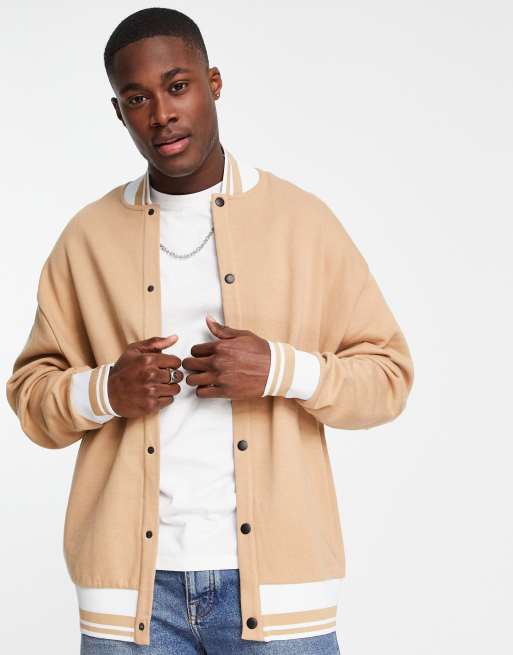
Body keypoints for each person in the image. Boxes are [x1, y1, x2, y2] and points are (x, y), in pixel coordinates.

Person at [6, 7, 415, 654]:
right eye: (137, 98)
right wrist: (107, 390)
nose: (161, 114)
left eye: (177, 86)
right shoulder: (87, 238)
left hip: (279, 593)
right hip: (132, 601)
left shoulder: (302, 223)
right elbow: (32, 399)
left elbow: (388, 378)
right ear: (118, 112)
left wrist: (280, 369)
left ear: (213, 83)